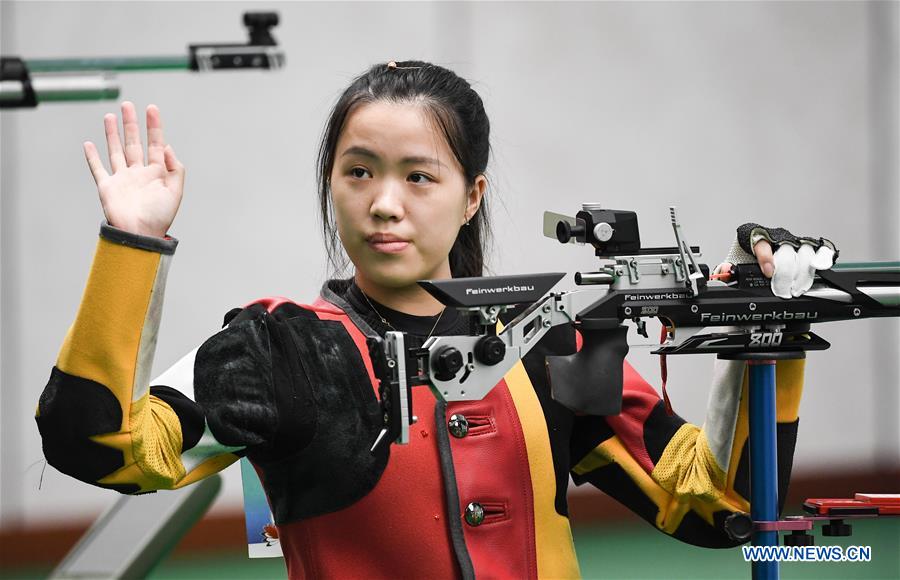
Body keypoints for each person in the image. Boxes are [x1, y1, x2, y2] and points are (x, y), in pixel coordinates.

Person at [35, 60, 835, 579]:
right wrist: (132, 244)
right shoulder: (277, 349)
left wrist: (762, 338)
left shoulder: (551, 339)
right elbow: (99, 448)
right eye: (358, 172)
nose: (385, 203)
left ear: (472, 193)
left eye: (421, 176)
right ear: (331, 184)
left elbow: (717, 511)